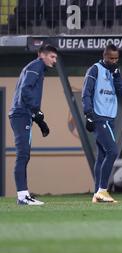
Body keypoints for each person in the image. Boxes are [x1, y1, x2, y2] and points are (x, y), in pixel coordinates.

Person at [9, 44, 57, 205]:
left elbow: (28, 95)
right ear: (41, 55)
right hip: (21, 115)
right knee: (23, 155)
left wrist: (40, 121)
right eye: (52, 57)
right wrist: (36, 111)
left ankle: (24, 195)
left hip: (23, 114)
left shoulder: (36, 68)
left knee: (24, 155)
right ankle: (22, 197)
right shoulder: (36, 66)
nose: (54, 60)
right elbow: (25, 91)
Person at [82, 44, 122, 203]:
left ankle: (96, 194)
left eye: (116, 59)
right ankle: (102, 190)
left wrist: (117, 76)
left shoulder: (115, 71)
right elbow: (86, 92)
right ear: (104, 56)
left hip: (110, 117)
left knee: (101, 156)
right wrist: (88, 114)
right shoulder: (95, 70)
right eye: (110, 58)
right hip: (99, 116)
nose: (113, 61)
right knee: (113, 151)